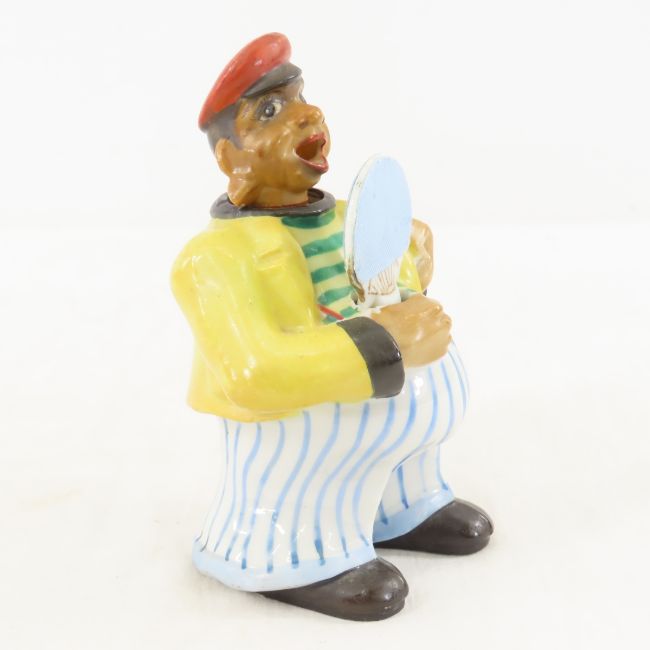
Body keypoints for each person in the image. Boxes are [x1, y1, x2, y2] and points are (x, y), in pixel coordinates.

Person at [171, 32, 492, 621]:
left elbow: (379, 282)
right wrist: (391, 340)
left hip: (388, 433)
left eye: (300, 97)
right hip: (295, 453)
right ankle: (296, 554)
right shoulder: (214, 259)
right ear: (230, 160)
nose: (306, 113)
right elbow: (254, 372)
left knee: (397, 455)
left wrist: (408, 263)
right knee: (300, 478)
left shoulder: (349, 216)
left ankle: (403, 504)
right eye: (271, 111)